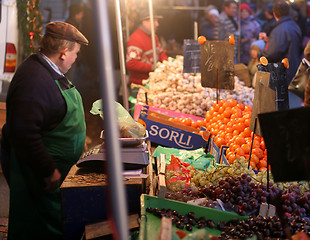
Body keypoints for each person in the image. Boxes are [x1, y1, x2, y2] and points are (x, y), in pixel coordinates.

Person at [0, 21, 88, 239]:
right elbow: (24, 133)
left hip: (56, 176)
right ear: (63, 52)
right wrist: (48, 170)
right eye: (76, 53)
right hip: (40, 177)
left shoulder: (48, 70)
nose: (76, 58)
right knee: (38, 229)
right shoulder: (35, 80)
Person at [259, 1, 302, 109]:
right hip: (294, 69)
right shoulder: (294, 25)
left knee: (282, 108)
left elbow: (272, 53)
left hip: (282, 74)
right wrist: (270, 40)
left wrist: (261, 55)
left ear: (274, 13)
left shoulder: (280, 30)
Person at [126, 8, 168, 87]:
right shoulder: (135, 38)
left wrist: (167, 63)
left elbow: (160, 52)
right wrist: (153, 67)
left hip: (153, 82)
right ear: (144, 22)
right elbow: (131, 63)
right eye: (154, 21)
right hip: (139, 85)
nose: (157, 24)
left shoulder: (154, 36)